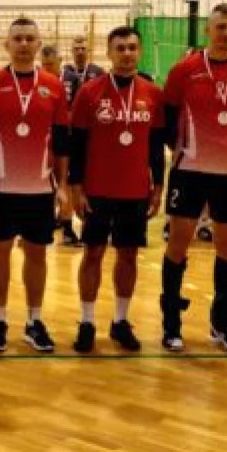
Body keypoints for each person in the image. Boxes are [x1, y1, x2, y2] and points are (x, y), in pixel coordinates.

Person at [159, 3, 227, 356]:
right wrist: (184, 151)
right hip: (189, 171)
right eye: (221, 27)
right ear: (208, 30)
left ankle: (223, 324)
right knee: (178, 245)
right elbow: (168, 117)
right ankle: (171, 324)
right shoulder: (184, 70)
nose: (226, 34)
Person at [0, 18, 69, 354]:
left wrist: (62, 185)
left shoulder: (54, 86)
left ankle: (34, 321)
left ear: (39, 44)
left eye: (29, 39)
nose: (23, 44)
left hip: (40, 189)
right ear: (6, 45)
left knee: (36, 254)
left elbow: (61, 141)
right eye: (18, 39)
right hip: (0, 188)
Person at [69, 26, 165, 353]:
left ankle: (120, 321)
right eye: (120, 48)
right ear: (109, 53)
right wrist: (76, 187)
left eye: (132, 48)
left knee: (128, 255)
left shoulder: (153, 94)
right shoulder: (89, 92)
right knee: (92, 253)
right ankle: (87, 322)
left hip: (135, 191)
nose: (127, 54)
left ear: (140, 51)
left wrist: (158, 185)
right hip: (96, 190)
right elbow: (77, 144)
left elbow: (156, 146)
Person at [42, 44, 80, 246]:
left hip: (67, 139)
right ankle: (46, 223)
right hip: (44, 141)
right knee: (45, 182)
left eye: (51, 64)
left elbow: (78, 107)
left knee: (67, 183)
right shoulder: (39, 79)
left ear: (60, 61)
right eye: (44, 65)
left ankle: (67, 228)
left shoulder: (72, 79)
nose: (47, 68)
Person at [62, 35, 106, 103]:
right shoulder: (65, 71)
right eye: (76, 49)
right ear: (72, 51)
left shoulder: (98, 71)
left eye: (83, 49)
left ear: (88, 51)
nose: (80, 52)